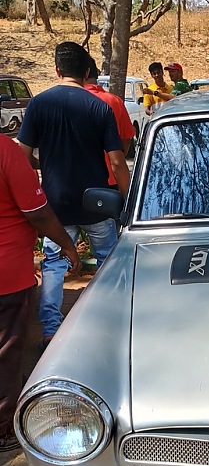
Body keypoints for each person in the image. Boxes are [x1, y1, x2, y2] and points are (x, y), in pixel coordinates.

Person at [17, 41, 129, 348]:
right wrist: (126, 198)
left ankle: (52, 329)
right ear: (86, 72)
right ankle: (110, 321)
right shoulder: (99, 107)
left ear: (56, 70)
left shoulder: (38, 104)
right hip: (96, 201)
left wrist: (34, 186)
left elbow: (22, 156)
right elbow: (118, 161)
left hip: (54, 202)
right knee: (108, 260)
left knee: (53, 264)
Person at [0, 133, 80, 452]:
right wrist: (66, 244)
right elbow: (38, 212)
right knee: (6, 351)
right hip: (7, 275)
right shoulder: (5, 150)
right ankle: (4, 428)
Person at [84, 56, 135, 185]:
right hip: (111, 179)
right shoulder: (115, 101)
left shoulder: (69, 101)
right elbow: (126, 138)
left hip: (79, 182)